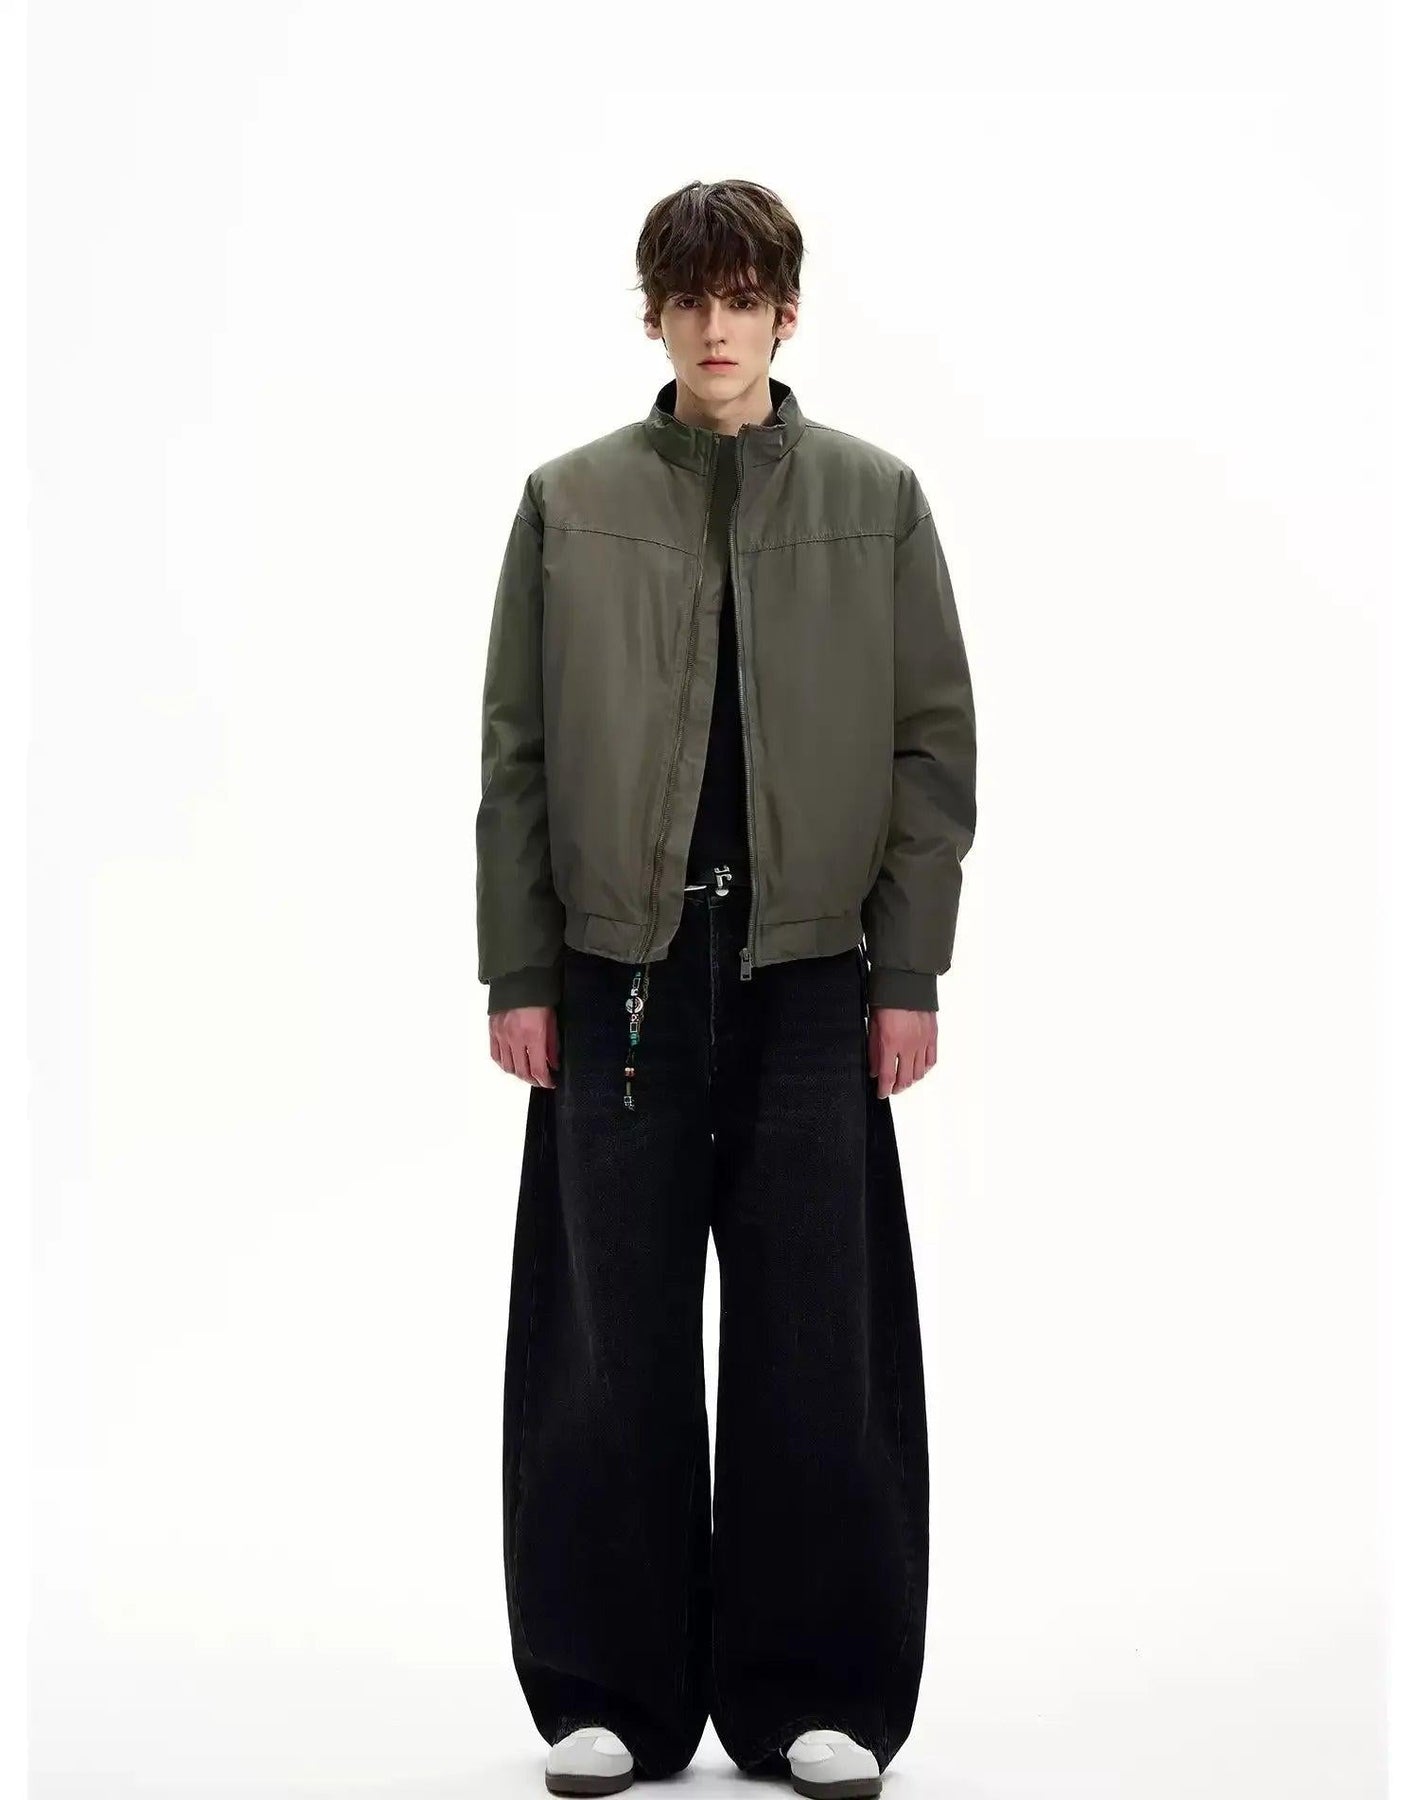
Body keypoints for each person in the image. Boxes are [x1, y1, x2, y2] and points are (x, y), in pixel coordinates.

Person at [475, 179, 976, 1798]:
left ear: (784, 314)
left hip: (811, 973)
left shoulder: (875, 499)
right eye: (688, 299)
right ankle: (608, 1694)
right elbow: (516, 757)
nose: (714, 326)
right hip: (615, 972)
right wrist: (520, 965)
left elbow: (931, 749)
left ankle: (813, 1692)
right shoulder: (569, 503)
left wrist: (909, 967)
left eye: (742, 297)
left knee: (815, 1338)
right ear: (653, 314)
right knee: (605, 1343)